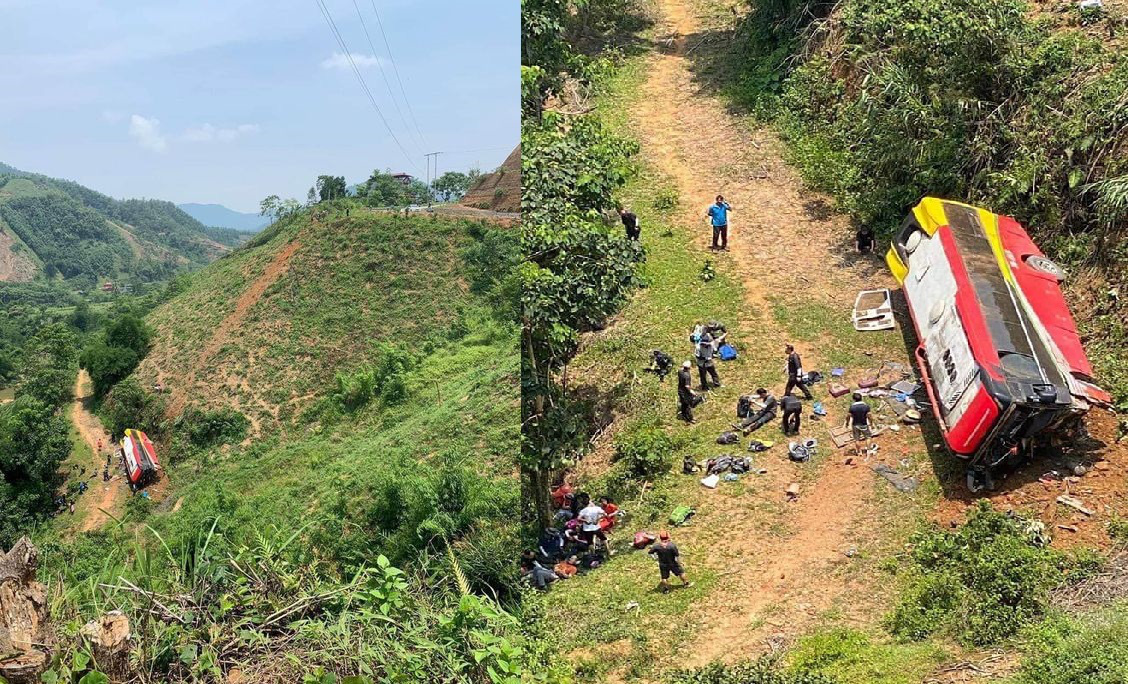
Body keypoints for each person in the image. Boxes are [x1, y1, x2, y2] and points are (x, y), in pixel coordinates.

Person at [846, 392, 877, 456]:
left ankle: (859, 452)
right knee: (868, 437)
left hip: (855, 425)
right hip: (864, 424)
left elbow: (848, 416)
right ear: (861, 398)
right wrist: (871, 423)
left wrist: (847, 423)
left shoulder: (852, 407)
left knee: (857, 439)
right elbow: (869, 416)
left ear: (854, 399)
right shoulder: (866, 406)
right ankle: (868, 450)